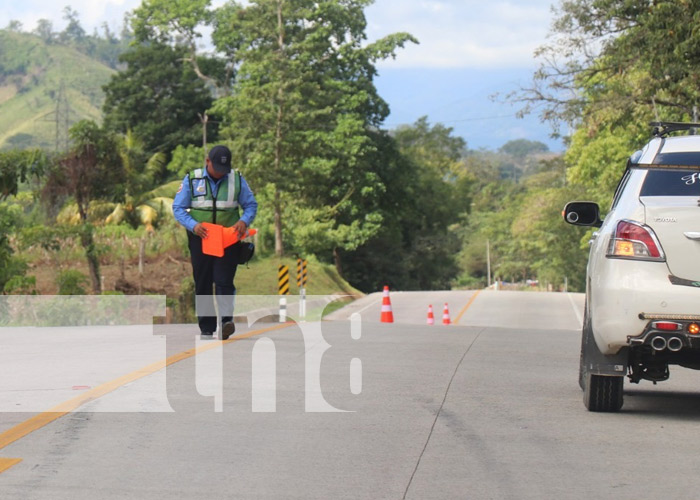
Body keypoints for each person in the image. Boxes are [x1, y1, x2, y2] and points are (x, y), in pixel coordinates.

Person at [172, 145, 258, 340]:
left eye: (223, 170)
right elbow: (178, 208)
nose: (220, 174)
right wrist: (193, 225)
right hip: (200, 239)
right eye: (216, 169)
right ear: (207, 162)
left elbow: (251, 205)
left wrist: (244, 221)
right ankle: (206, 327)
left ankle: (226, 321)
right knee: (202, 281)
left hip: (227, 239)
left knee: (224, 280)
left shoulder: (236, 179)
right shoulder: (192, 179)